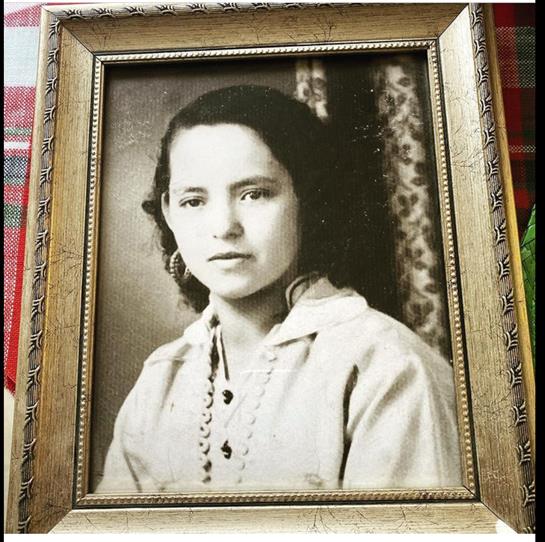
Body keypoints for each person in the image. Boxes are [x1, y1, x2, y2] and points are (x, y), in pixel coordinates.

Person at [97, 85, 461, 493]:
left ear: (308, 198)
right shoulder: (160, 379)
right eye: (194, 201)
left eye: (255, 194)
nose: (223, 227)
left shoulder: (386, 367)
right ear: (169, 213)